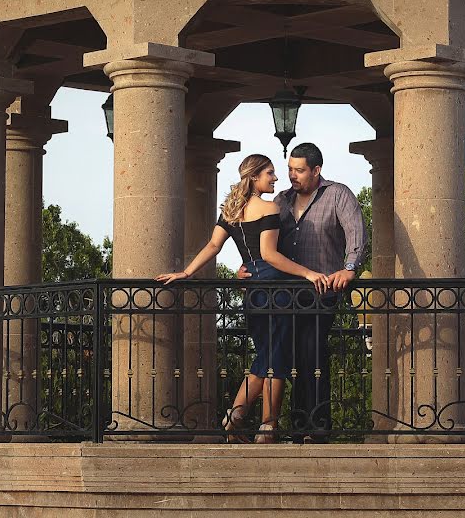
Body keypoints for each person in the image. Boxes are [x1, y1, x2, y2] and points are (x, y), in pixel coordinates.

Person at [155, 154, 329, 443]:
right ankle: (266, 428)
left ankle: (236, 418)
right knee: (276, 360)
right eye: (270, 173)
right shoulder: (268, 207)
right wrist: (309, 273)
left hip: (252, 290)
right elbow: (270, 255)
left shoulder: (231, 209)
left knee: (267, 357)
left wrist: (186, 272)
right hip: (275, 288)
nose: (275, 178)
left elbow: (213, 245)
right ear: (255, 177)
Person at [239, 142, 368, 442]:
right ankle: (294, 428)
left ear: (316, 170)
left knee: (312, 352)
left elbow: (356, 233)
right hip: (282, 293)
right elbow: (262, 241)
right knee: (284, 356)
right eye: (289, 170)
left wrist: (349, 268)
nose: (292, 176)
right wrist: (246, 267)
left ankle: (317, 427)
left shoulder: (338, 194)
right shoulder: (281, 200)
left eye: (299, 170)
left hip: (322, 289)